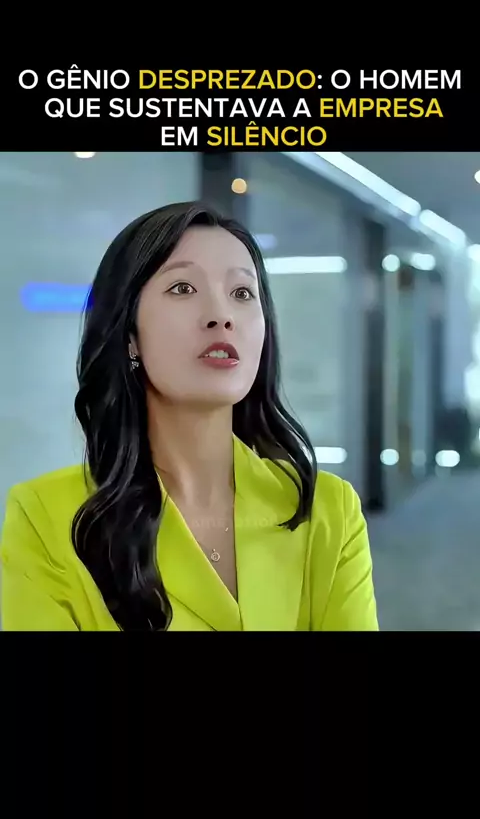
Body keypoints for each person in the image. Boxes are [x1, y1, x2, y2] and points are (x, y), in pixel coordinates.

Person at [0, 201, 378, 632]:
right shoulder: (46, 517)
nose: (222, 316)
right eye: (183, 288)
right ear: (129, 335)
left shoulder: (327, 510)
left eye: (242, 293)